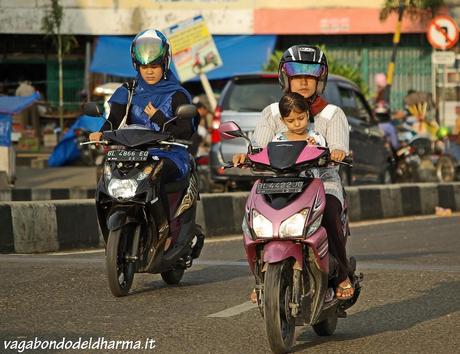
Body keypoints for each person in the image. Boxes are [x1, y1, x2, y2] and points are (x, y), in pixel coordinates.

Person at [233, 45, 354, 300]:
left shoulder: (331, 114)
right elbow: (258, 148)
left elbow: (340, 147)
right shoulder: (272, 113)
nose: (303, 83)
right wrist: (246, 156)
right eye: (298, 76)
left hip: (322, 182)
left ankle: (342, 274)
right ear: (285, 78)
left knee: (330, 213)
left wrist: (338, 152)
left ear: (320, 80)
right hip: (278, 181)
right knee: (250, 221)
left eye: (310, 77)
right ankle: (260, 279)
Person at [89, 29, 196, 217]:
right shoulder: (128, 91)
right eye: (144, 67)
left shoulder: (177, 94)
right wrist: (100, 133)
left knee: (157, 174)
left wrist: (158, 118)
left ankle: (164, 227)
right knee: (106, 176)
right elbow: (113, 121)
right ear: (136, 66)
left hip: (168, 155)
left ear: (165, 63)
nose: (149, 72)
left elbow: (185, 131)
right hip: (133, 154)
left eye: (154, 66)